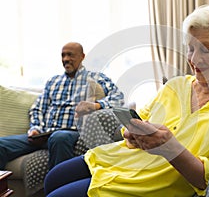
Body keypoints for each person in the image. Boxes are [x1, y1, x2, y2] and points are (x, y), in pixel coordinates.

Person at [44, 5, 209, 197]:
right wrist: (131, 134)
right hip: (122, 160)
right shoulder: (175, 86)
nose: (193, 59)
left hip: (149, 184)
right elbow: (136, 125)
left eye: (205, 49)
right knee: (52, 178)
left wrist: (169, 147)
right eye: (191, 48)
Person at [0, 42, 124, 170]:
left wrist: (96, 105)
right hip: (44, 135)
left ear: (82, 56)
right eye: (63, 55)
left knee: (58, 137)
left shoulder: (96, 78)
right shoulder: (53, 81)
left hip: (71, 133)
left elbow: (118, 97)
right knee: (1, 144)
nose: (65, 59)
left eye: (70, 55)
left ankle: (57, 187)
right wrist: (36, 129)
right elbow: (38, 108)